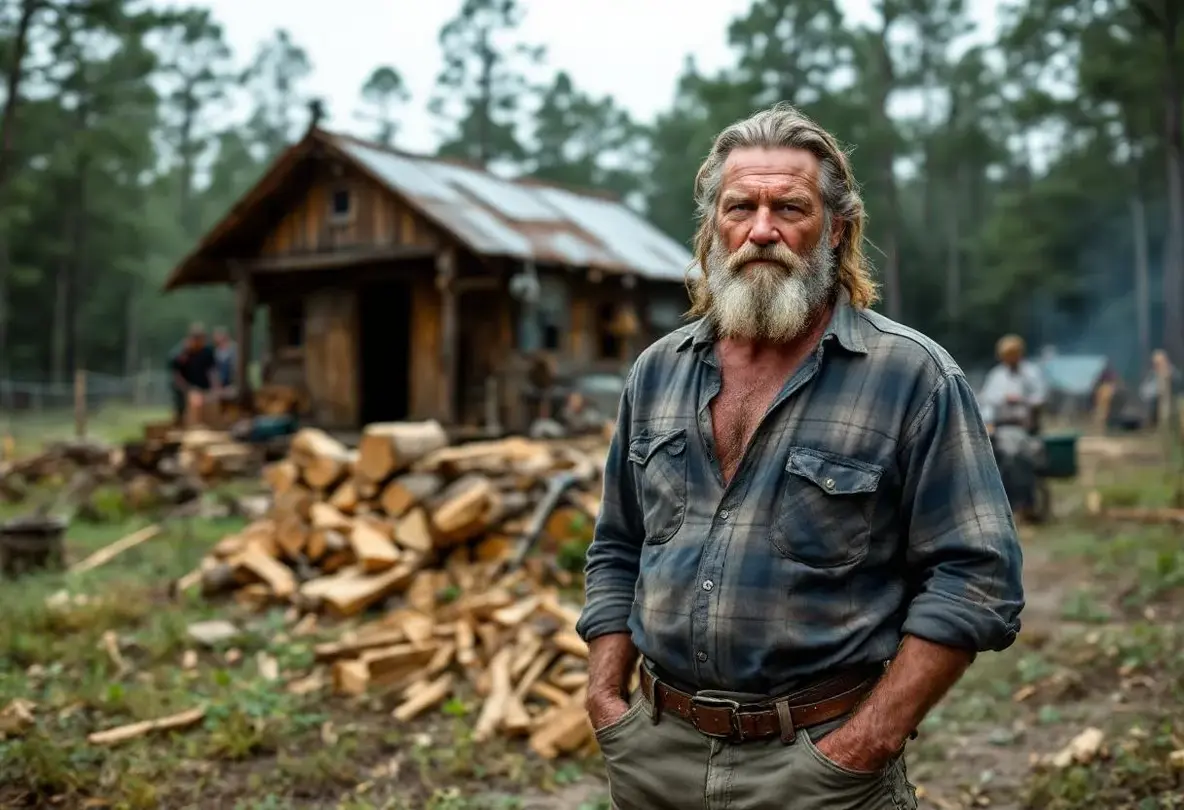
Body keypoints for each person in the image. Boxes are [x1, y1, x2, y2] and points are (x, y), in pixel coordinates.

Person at [575, 104, 1024, 810]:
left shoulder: (911, 377)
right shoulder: (657, 372)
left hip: (821, 765)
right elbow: (617, 547)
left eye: (790, 207)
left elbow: (977, 581)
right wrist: (606, 699)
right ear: (713, 227)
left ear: (836, 227)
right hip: (656, 757)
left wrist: (864, 745)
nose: (761, 230)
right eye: (739, 207)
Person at [978, 335, 1048, 519]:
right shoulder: (996, 376)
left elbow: (1040, 399)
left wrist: (1022, 400)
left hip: (1020, 427)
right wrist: (988, 423)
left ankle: (1023, 503)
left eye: (1012, 354)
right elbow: (986, 403)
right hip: (998, 427)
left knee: (1014, 453)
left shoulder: (1030, 373)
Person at [168, 323, 219, 426]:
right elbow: (177, 375)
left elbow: (212, 371)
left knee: (211, 402)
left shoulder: (207, 352)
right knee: (191, 404)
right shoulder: (181, 353)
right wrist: (188, 390)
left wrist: (215, 388)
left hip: (204, 387)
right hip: (186, 387)